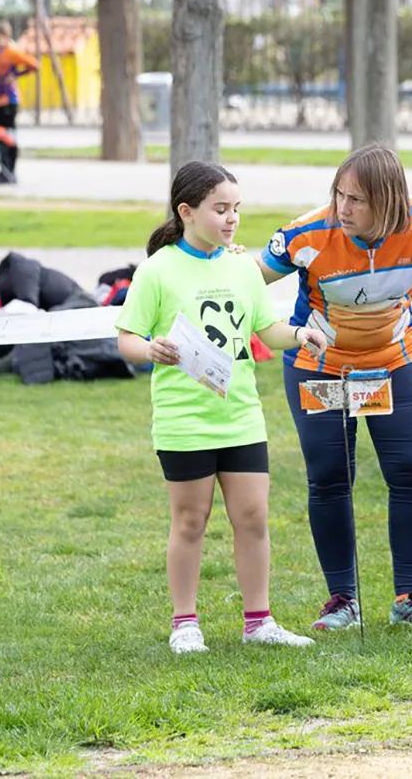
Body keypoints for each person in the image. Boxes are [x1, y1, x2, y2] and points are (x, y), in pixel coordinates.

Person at [258, 145, 412, 631]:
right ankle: (343, 602)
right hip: (322, 367)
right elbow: (251, 279)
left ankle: (409, 598)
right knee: (331, 475)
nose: (343, 209)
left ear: (389, 201)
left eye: (357, 200)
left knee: (411, 471)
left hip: (395, 363)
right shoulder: (306, 234)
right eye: (339, 195)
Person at [115, 161, 324, 654]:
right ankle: (185, 623)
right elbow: (127, 339)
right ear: (186, 212)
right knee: (190, 521)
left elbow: (264, 327)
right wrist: (151, 350)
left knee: (252, 516)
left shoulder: (241, 266)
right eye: (220, 209)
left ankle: (259, 621)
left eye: (236, 209)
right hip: (184, 420)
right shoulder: (157, 270)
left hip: (241, 415)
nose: (232, 219)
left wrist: (299, 335)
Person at [0, 21, 38, 185]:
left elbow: (34, 65)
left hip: (8, 101)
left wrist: (16, 75)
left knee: (9, 137)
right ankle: (2, 170)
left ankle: (10, 171)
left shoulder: (12, 52)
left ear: (5, 36)